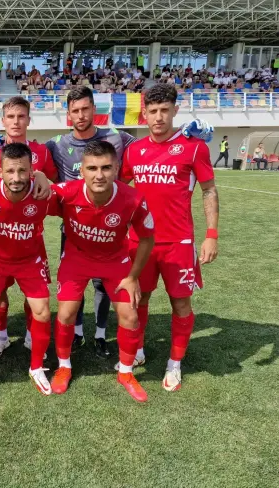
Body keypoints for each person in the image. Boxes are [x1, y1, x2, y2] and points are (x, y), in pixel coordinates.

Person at [42, 86, 213, 358]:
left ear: (93, 110)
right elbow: (32, 159)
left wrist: (185, 134)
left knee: (105, 285)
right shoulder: (56, 144)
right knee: (74, 290)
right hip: (74, 228)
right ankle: (76, 334)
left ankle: (100, 334)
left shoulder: (118, 138)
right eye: (75, 110)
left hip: (115, 229)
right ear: (68, 114)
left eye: (86, 108)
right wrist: (1, 140)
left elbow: (156, 146)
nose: (81, 114)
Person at [119, 83, 220, 391]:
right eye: (153, 111)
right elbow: (120, 188)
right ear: (144, 115)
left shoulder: (194, 147)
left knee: (180, 304)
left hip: (179, 243)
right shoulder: (133, 150)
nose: (159, 117)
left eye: (165, 110)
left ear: (175, 111)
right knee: (140, 298)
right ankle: (137, 351)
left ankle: (174, 364)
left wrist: (211, 235)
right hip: (140, 242)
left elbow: (209, 190)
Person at [51, 140, 155, 402]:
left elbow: (146, 239)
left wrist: (132, 277)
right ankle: (64, 366)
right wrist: (39, 177)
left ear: (117, 168)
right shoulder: (65, 192)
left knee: (130, 315)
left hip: (114, 261)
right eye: (92, 168)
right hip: (77, 258)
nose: (99, 175)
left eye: (106, 167)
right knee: (66, 311)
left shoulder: (133, 198)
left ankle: (126, 372)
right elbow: (32, 198)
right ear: (82, 170)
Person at [0, 143, 58, 396]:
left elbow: (72, 197)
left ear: (32, 170)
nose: (16, 178)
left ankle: (37, 367)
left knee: (41, 312)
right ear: (0, 171)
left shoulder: (43, 193)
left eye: (22, 171)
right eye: (10, 171)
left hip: (30, 260)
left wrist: (45, 179)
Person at [0, 96, 57, 358]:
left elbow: (52, 186)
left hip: (30, 238)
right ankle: (1, 336)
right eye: (10, 117)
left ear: (28, 119)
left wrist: (42, 175)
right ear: (3, 120)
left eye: (21, 116)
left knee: (32, 293)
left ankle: (29, 333)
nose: (16, 121)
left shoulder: (43, 152)